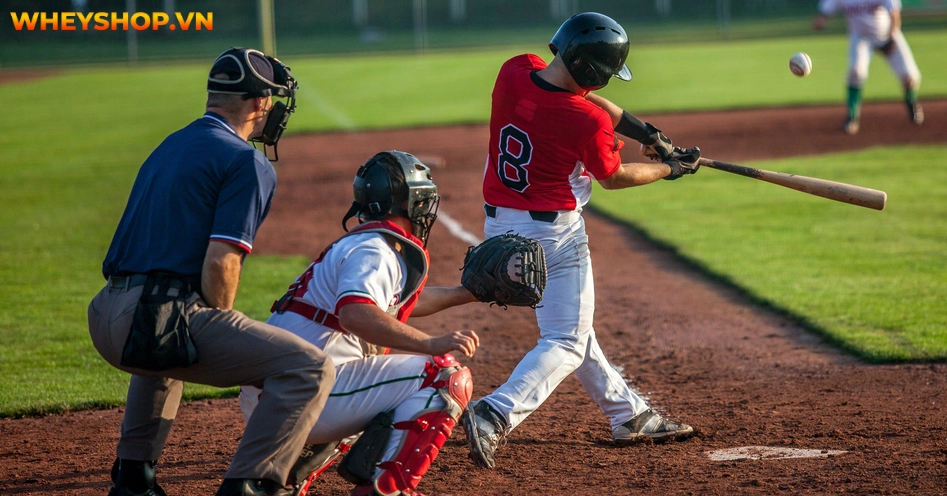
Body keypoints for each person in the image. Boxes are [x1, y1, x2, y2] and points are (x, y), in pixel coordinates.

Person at [88, 47, 337, 496]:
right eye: (273, 100)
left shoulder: (171, 144)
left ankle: (133, 478)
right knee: (310, 368)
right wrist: (220, 323)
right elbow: (222, 259)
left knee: (168, 336)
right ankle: (250, 487)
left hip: (106, 314)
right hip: (145, 322)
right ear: (260, 104)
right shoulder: (246, 161)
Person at [462, 12, 699, 470]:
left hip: (500, 228)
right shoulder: (583, 119)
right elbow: (615, 176)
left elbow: (586, 103)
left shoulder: (514, 70)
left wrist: (650, 135)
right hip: (553, 237)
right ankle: (495, 412)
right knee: (566, 340)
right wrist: (671, 168)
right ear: (592, 70)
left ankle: (629, 416)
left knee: (573, 327)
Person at [239, 151, 479, 496]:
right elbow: (356, 314)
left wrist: (465, 294)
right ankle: (388, 490)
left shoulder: (363, 245)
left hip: (277, 394)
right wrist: (430, 344)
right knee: (442, 376)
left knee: (378, 383)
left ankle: (285, 475)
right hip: (303, 395)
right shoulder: (375, 251)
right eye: (424, 201)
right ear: (409, 204)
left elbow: (391, 307)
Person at [813, 0, 923, 134]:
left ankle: (912, 104)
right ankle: (852, 117)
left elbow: (894, 14)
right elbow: (825, 11)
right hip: (861, 38)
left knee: (909, 76)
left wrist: (892, 37)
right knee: (856, 72)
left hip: (888, 34)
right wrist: (821, 21)